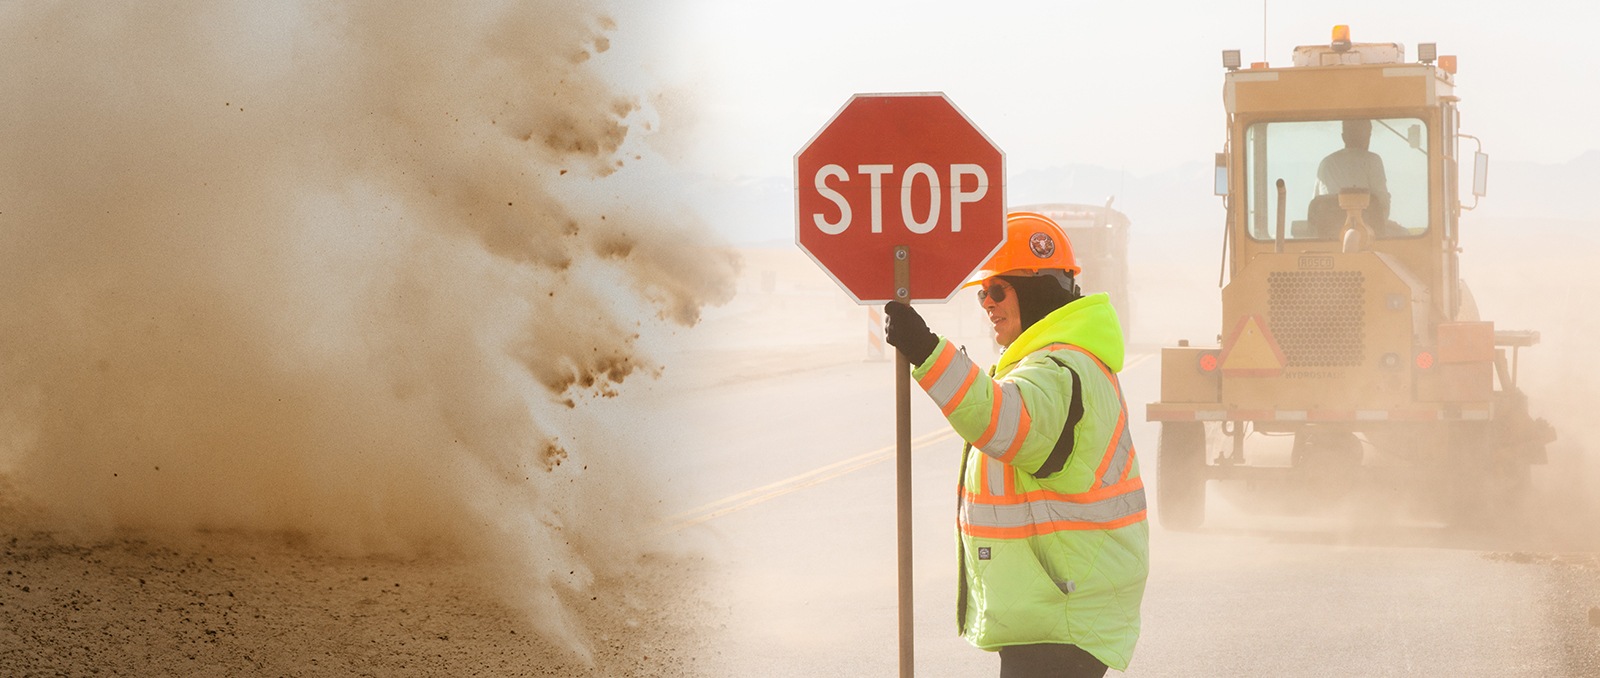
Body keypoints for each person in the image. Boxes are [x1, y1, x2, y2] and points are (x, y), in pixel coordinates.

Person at [883, 212, 1148, 678]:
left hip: (1061, 610)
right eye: (983, 292)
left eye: (997, 290)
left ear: (1037, 288)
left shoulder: (1060, 367)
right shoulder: (1055, 361)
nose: (986, 302)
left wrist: (926, 351)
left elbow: (1005, 421)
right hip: (1055, 603)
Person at [1315, 118, 1390, 228]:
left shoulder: (1326, 163)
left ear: (1343, 137)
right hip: (1365, 233)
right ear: (1368, 136)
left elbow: (1316, 207)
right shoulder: (1373, 160)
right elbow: (1383, 206)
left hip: (1328, 235)